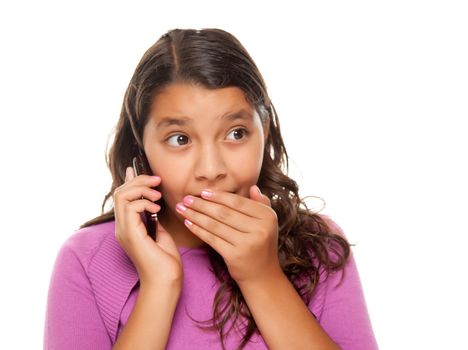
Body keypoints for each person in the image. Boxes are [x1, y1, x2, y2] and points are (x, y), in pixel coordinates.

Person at [44, 28, 378, 350]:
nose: (211, 170)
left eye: (236, 133)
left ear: (264, 130)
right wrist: (160, 287)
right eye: (180, 139)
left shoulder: (318, 248)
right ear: (141, 147)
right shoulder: (87, 260)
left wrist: (261, 277)